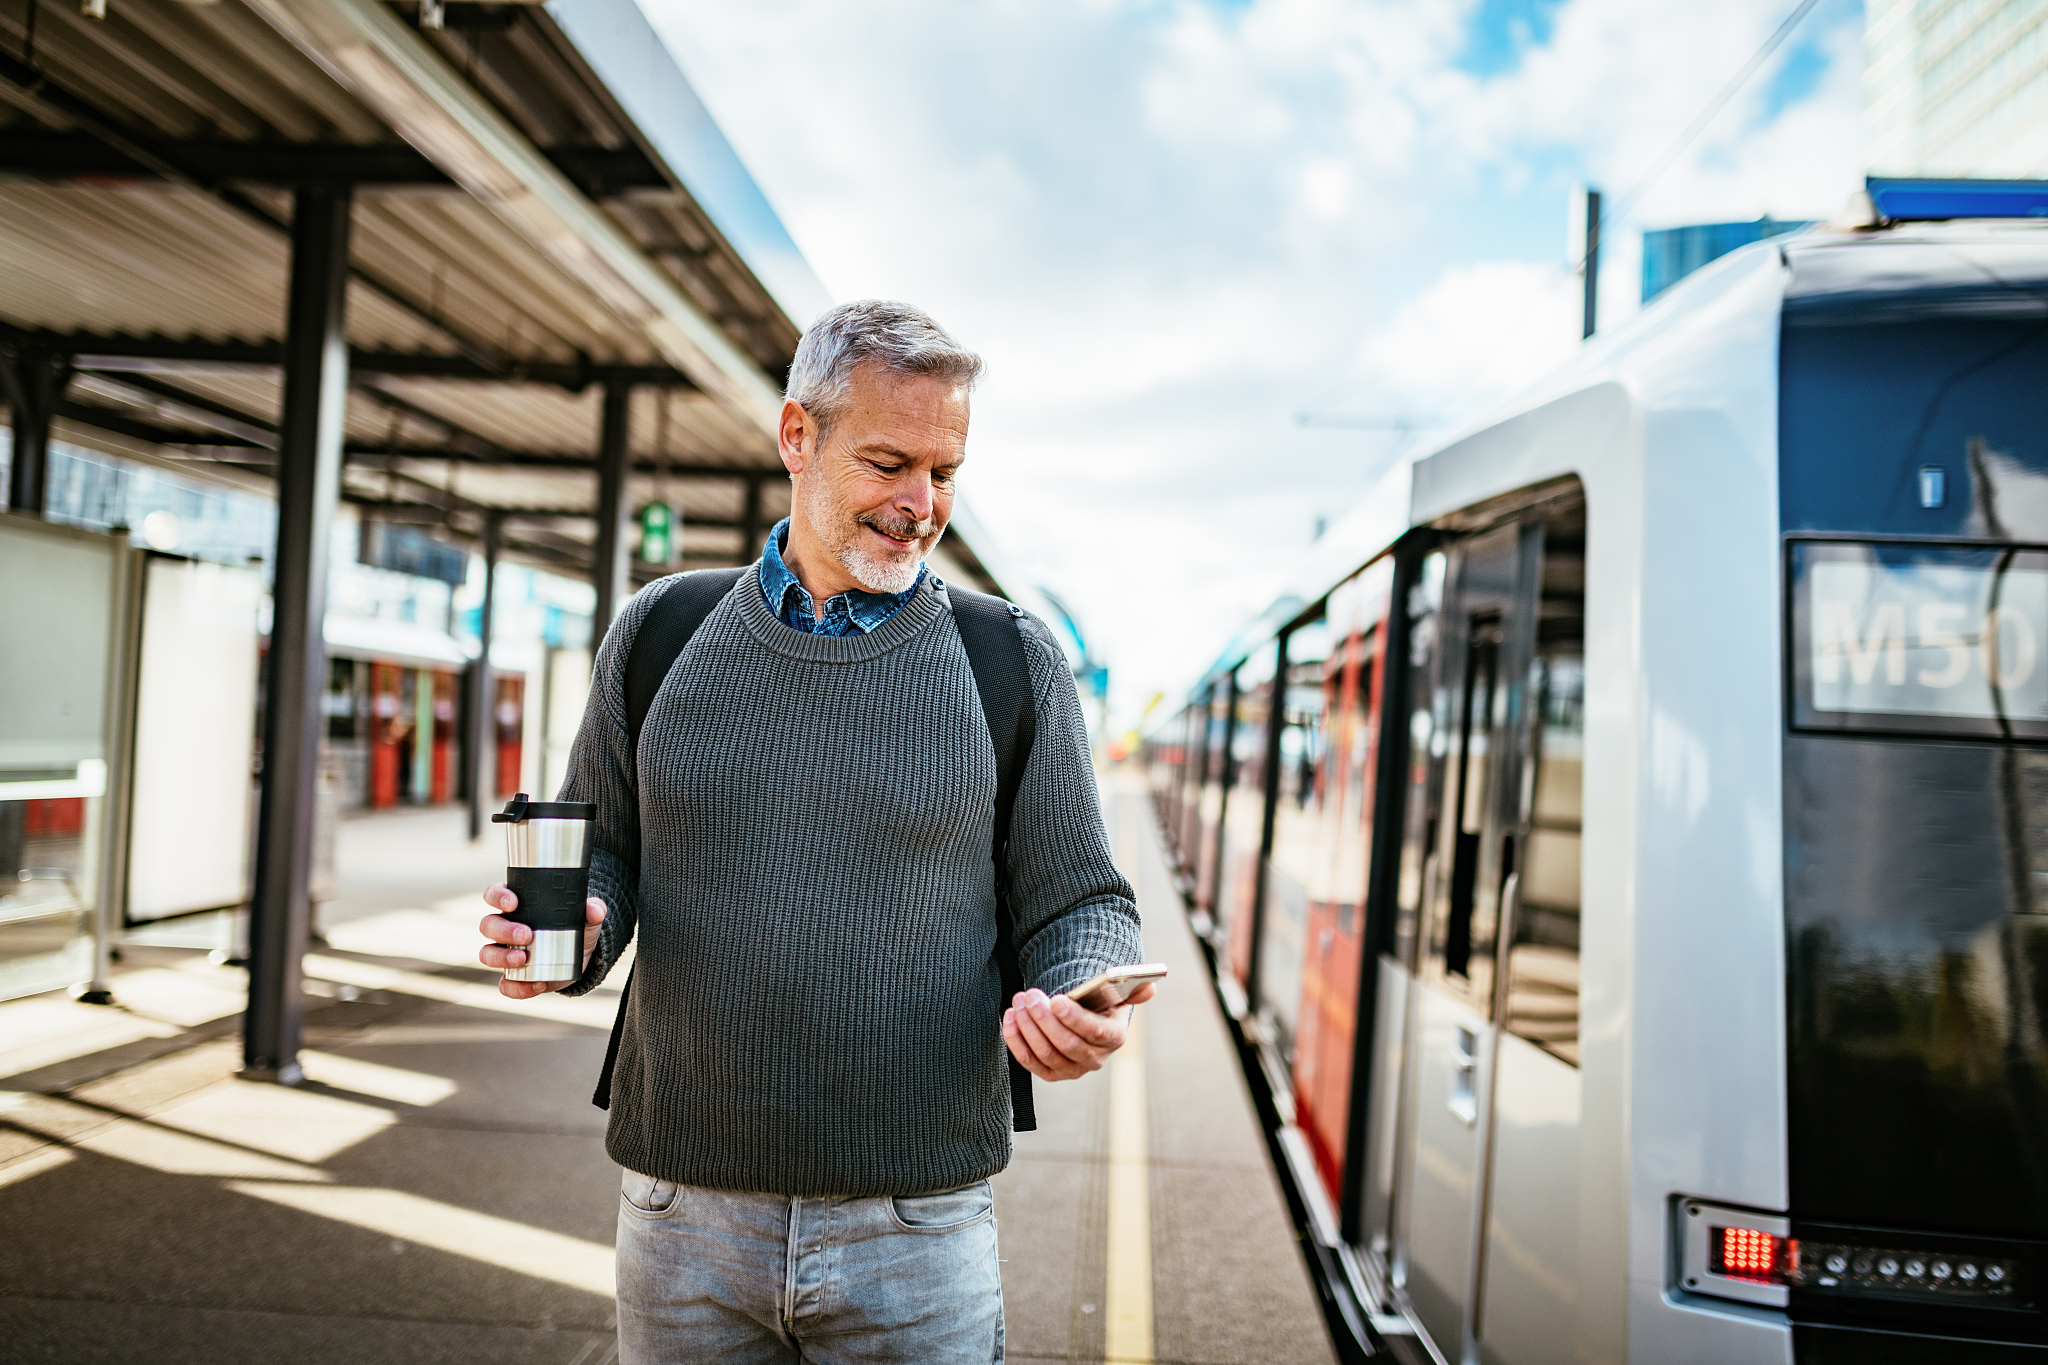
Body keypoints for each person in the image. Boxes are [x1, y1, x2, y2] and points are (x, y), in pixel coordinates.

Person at [477, 299, 1149, 1364]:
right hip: (679, 1212)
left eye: (944, 473)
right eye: (889, 463)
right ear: (798, 437)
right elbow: (602, 851)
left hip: (916, 1224)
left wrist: (1084, 986)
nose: (920, 504)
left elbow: (1080, 900)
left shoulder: (1008, 659)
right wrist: (570, 935)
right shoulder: (659, 633)